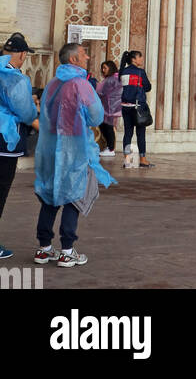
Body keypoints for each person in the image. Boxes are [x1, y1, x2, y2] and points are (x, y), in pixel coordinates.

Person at [34, 42, 114, 268]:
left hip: (50, 146)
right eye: (83, 54)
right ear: (73, 60)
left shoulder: (51, 83)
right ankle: (67, 251)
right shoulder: (81, 84)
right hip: (74, 146)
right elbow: (96, 116)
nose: (87, 57)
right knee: (73, 196)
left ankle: (44, 248)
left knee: (50, 195)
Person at [0, 32, 40, 259]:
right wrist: (37, 123)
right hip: (6, 139)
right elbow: (24, 111)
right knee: (1, 188)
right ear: (23, 54)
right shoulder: (15, 78)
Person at [119, 49, 153, 168]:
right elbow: (148, 87)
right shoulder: (140, 72)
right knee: (140, 133)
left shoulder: (123, 71)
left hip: (125, 106)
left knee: (127, 133)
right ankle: (142, 159)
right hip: (137, 106)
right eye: (140, 57)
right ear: (134, 59)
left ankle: (127, 160)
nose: (142, 59)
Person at [96, 60, 121, 157]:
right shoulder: (114, 78)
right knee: (106, 126)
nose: (103, 70)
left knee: (108, 127)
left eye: (105, 68)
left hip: (110, 107)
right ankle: (109, 147)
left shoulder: (111, 79)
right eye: (102, 68)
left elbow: (101, 92)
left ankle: (111, 149)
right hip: (111, 107)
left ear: (110, 68)